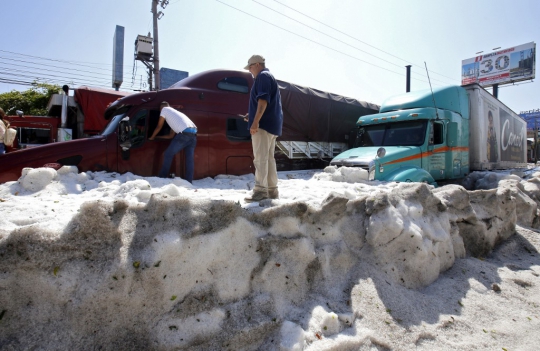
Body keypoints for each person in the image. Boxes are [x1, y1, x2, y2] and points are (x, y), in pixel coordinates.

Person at [243, 55, 283, 202]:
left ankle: (260, 191)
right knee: (269, 159)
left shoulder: (262, 76)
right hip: (272, 125)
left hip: (263, 126)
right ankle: (272, 191)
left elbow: (263, 100)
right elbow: (267, 103)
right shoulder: (269, 77)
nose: (250, 71)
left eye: (250, 67)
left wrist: (255, 122)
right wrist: (251, 115)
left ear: (257, 64)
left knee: (260, 158)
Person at [149, 102, 197, 183]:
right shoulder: (176, 115)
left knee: (168, 154)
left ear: (161, 108)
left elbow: (159, 126)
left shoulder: (164, 109)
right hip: (194, 134)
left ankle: (162, 177)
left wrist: (152, 137)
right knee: (189, 159)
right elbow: (170, 136)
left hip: (184, 134)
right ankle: (189, 181)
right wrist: (158, 137)